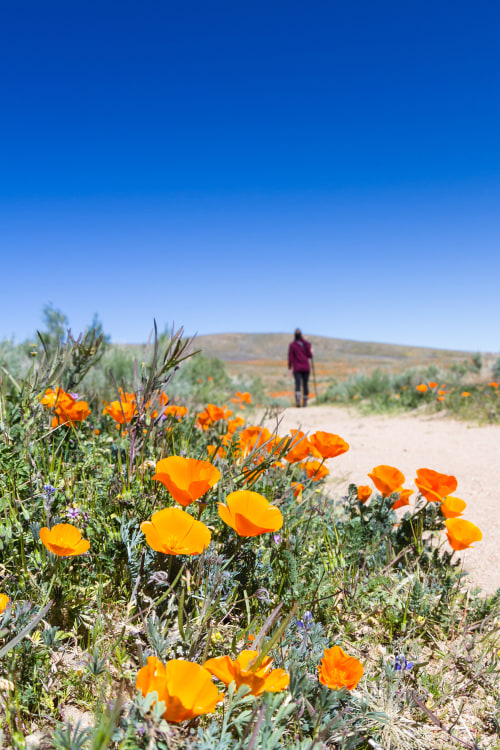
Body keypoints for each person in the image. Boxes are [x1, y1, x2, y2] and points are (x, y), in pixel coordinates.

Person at [288, 329, 313, 407]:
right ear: (301, 335)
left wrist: (290, 368)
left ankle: (298, 402)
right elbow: (310, 355)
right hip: (306, 367)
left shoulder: (292, 345)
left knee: (298, 384)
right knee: (305, 385)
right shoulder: (306, 344)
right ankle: (305, 403)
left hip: (297, 368)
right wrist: (311, 351)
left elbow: (291, 358)